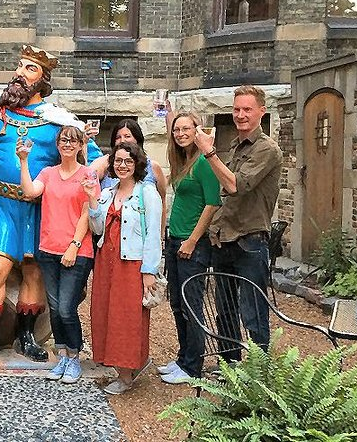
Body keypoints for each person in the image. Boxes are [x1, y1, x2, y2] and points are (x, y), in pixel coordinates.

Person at [0, 21, 102, 366]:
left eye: (29, 68)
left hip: (42, 209)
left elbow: (96, 160)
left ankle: (26, 337)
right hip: (4, 205)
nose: (19, 73)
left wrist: (74, 182)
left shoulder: (58, 122)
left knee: (34, 271)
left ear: (42, 80)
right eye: (19, 67)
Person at [194, 85, 282, 358]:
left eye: (247, 109)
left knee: (253, 312)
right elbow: (223, 192)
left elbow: (234, 186)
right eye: (236, 109)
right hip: (225, 239)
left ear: (261, 112)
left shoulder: (267, 149)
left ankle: (259, 378)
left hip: (250, 241)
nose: (240, 115)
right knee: (226, 311)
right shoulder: (234, 145)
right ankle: (230, 369)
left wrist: (209, 153)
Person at [18, 126, 98, 383]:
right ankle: (62, 354)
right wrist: (23, 160)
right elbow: (30, 191)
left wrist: (74, 245)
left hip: (76, 251)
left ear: (79, 146)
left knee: (66, 308)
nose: (67, 144)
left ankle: (74, 357)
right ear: (58, 144)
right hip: (48, 249)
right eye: (63, 140)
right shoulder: (48, 173)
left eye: (72, 141)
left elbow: (88, 212)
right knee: (53, 308)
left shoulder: (88, 174)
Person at [86, 142, 162, 395]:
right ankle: (122, 367)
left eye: (128, 161)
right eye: (117, 161)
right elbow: (97, 229)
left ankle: (127, 374)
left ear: (137, 164)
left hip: (131, 263)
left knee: (127, 318)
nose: (122, 165)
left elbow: (153, 234)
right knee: (106, 313)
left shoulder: (147, 193)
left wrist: (149, 270)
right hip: (106, 261)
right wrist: (92, 202)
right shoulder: (108, 192)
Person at [158, 112, 221, 384]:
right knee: (177, 303)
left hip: (191, 244)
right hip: (175, 240)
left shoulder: (204, 163)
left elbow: (213, 203)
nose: (181, 133)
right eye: (176, 130)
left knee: (191, 305)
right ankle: (184, 358)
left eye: (186, 129)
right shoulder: (183, 161)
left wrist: (192, 240)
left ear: (198, 130)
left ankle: (193, 366)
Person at [90, 118, 167, 232]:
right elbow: (87, 176)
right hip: (108, 233)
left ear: (137, 139)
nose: (122, 140)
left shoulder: (153, 167)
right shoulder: (106, 164)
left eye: (127, 136)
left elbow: (162, 202)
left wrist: (160, 237)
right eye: (118, 137)